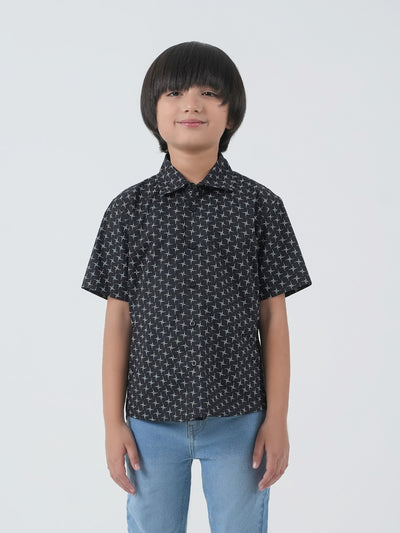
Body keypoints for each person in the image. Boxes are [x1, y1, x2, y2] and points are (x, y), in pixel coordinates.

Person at [81, 41, 312, 533]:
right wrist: (112, 424)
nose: (191, 104)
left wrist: (276, 419)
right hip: (149, 423)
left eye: (208, 93)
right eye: (174, 93)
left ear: (231, 114)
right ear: (153, 112)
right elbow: (117, 322)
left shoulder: (260, 206)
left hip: (240, 422)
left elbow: (274, 319)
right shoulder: (127, 211)